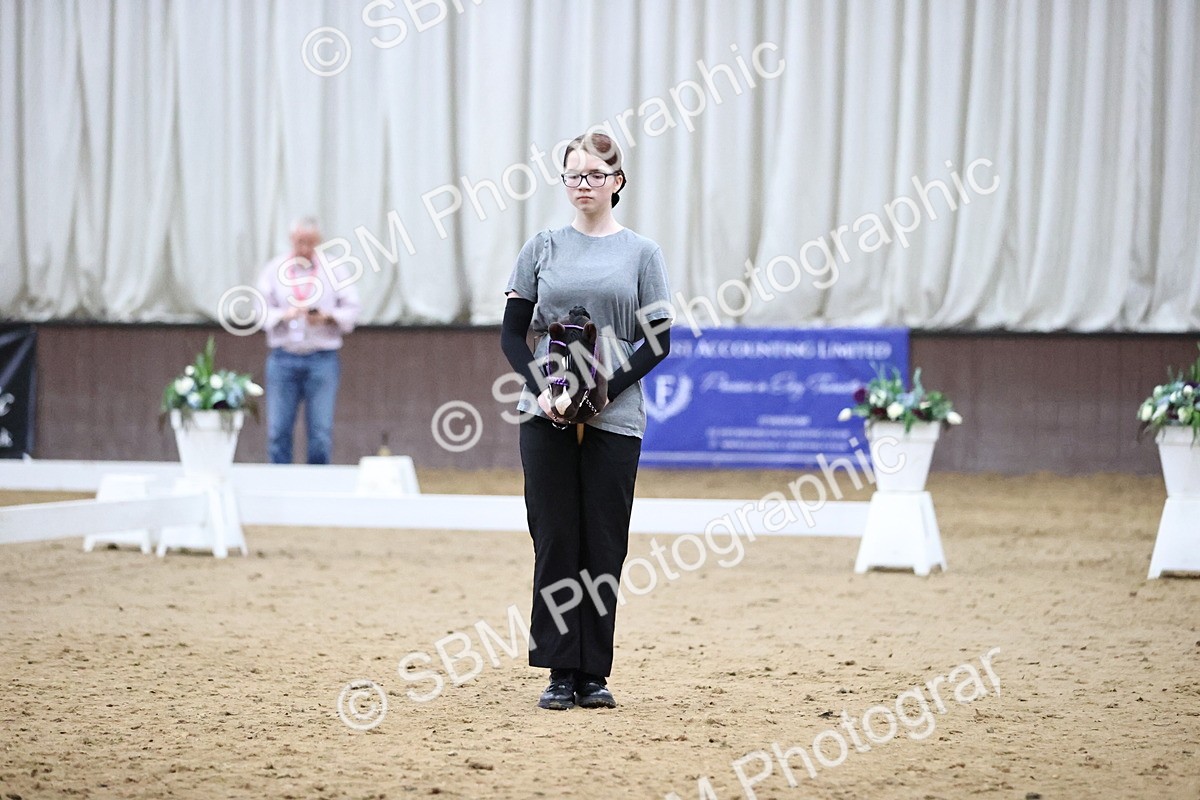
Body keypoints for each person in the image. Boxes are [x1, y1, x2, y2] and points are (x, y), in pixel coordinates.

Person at [501, 132, 674, 710]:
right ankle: (558, 669)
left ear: (616, 182)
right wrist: (544, 391)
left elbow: (658, 340)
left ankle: (593, 672)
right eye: (573, 175)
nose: (583, 184)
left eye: (595, 175)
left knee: (603, 542)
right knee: (554, 539)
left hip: (614, 413)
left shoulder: (643, 253)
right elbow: (511, 332)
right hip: (543, 410)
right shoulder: (542, 247)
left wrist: (602, 394)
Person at [257, 217, 360, 464]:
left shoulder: (334, 269)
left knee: (320, 433)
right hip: (283, 358)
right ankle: (281, 487)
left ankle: (318, 487)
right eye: (300, 242)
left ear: (319, 242)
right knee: (278, 431)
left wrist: (328, 317)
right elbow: (259, 310)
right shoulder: (274, 269)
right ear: (292, 240)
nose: (305, 248)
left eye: (311, 243)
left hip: (321, 359)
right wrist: (284, 315)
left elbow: (353, 309)